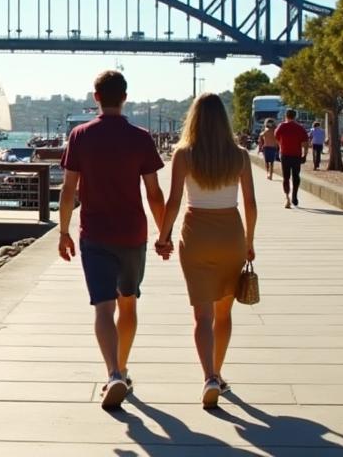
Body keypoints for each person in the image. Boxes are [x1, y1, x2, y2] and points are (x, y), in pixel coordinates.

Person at [57, 70, 167, 411]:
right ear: (125, 97)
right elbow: (154, 193)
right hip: (133, 233)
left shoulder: (80, 135)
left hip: (95, 234)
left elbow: (68, 189)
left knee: (103, 307)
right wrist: (164, 234)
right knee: (128, 302)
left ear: (96, 98)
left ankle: (113, 372)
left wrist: (62, 232)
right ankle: (123, 366)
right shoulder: (141, 137)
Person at [158, 93, 258, 409]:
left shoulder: (184, 155)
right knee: (224, 313)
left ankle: (209, 377)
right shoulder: (240, 156)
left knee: (202, 316)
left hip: (196, 233)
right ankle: (219, 372)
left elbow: (173, 201)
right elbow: (252, 204)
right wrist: (250, 242)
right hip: (231, 234)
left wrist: (164, 236)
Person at [273, 109, 309, 208]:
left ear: (286, 116)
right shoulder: (300, 128)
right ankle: (294, 195)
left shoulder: (282, 126)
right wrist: (305, 155)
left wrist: (281, 145)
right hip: (296, 155)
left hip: (285, 155)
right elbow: (305, 143)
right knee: (296, 176)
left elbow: (276, 137)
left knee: (286, 177)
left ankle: (287, 198)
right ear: (295, 116)